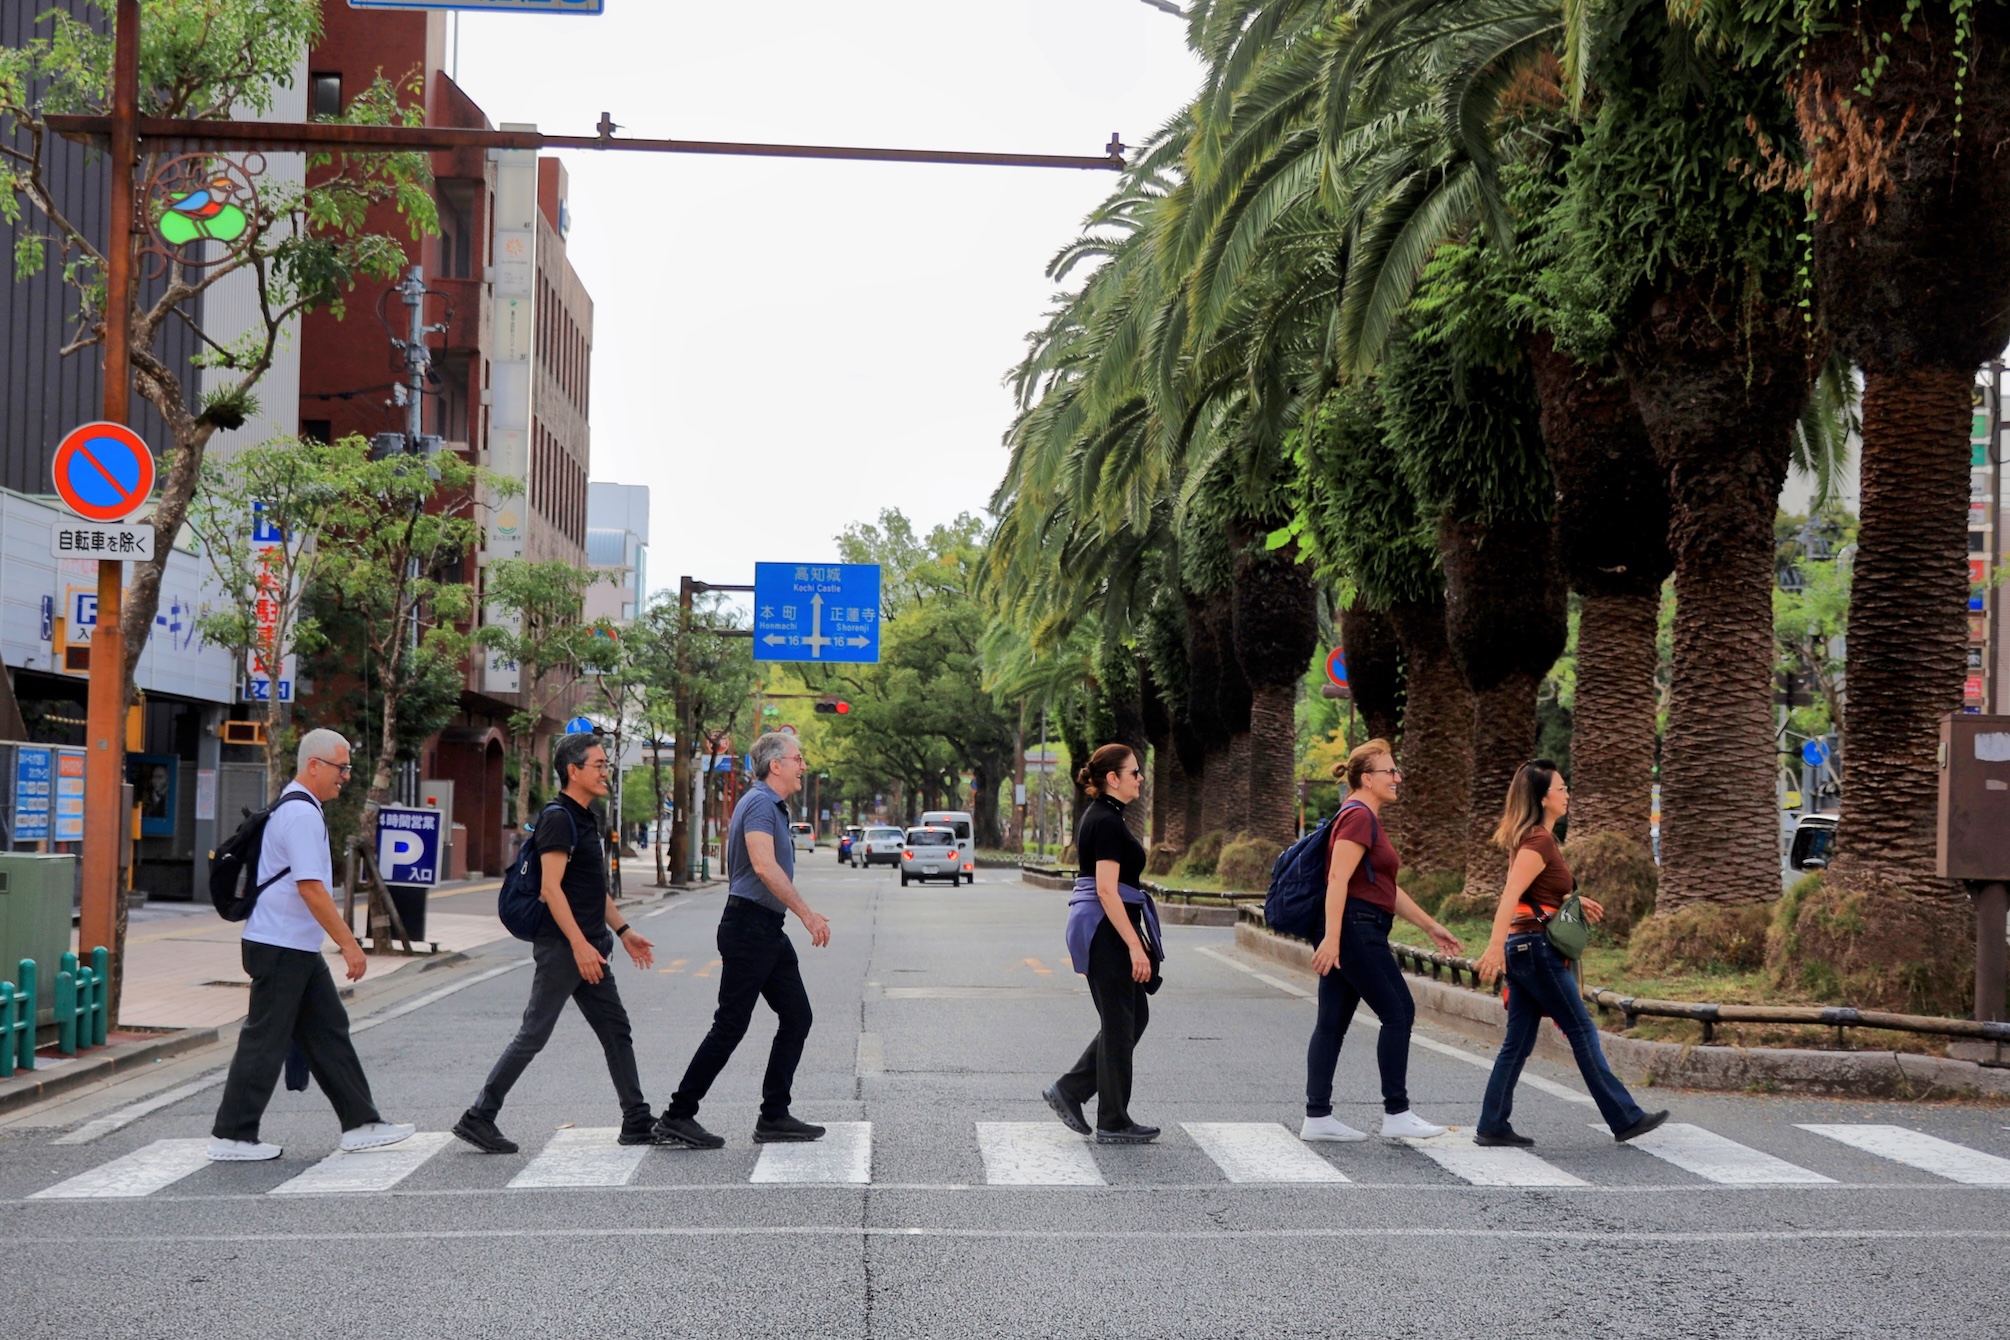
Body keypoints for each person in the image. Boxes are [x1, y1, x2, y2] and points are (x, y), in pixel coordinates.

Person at [208, 729, 415, 1161]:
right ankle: (231, 1135)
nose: (346, 776)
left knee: (327, 1031)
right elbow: (312, 889)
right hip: (281, 946)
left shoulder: (300, 808)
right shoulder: (301, 814)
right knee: (265, 1040)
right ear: (314, 766)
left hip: (292, 946)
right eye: (341, 768)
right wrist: (350, 945)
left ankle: (361, 1123)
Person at [453, 734, 658, 1154]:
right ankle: (479, 1116)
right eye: (598, 765)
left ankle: (636, 1118)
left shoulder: (587, 816)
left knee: (615, 1028)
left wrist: (623, 931)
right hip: (566, 947)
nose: (606, 772)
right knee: (534, 1033)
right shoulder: (559, 818)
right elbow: (551, 889)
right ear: (573, 771)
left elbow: (589, 888)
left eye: (606, 765)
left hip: (588, 945)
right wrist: (581, 945)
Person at [1474, 760, 1668, 1147]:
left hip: (1527, 948)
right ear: (1544, 797)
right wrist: (1494, 949)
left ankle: (1492, 1124)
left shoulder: (1534, 838)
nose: (1567, 795)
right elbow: (1511, 894)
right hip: (1534, 950)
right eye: (1562, 788)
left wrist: (1571, 901)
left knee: (1518, 1042)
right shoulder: (1538, 840)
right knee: (1581, 1030)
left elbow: (1534, 892)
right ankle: (1625, 1116)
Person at [652, 732, 831, 1148]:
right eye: (797, 758)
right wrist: (807, 914)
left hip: (766, 928)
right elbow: (765, 867)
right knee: (730, 1025)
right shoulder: (758, 804)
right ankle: (677, 1115)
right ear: (776, 766)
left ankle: (774, 1116)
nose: (803, 765)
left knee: (797, 1015)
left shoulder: (773, 807)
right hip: (748, 927)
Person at [1301, 739, 1464, 1143]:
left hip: (1356, 925)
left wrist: (1430, 926)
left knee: (1332, 1022)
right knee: (1398, 1011)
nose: (1397, 777)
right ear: (1366, 778)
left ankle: (1317, 1116)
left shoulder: (1362, 817)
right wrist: (1334, 939)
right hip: (1356, 929)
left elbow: (1385, 887)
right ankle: (1397, 1111)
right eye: (1390, 771)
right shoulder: (1358, 817)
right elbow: (1337, 879)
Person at [1045, 743, 1163, 1144]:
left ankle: (1073, 1090)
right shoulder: (1107, 822)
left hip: (1107, 928)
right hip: (1106, 930)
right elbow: (1108, 891)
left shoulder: (1106, 816)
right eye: (1134, 772)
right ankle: (1112, 1120)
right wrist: (1134, 946)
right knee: (1119, 1024)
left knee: (1132, 1018)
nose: (1140, 778)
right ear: (1113, 779)